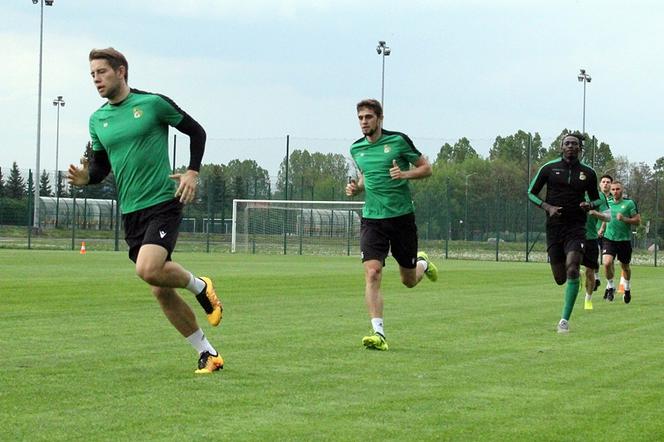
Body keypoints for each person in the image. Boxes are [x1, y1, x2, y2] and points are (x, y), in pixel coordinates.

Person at [67, 48, 223, 374]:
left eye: (101, 72)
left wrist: (192, 171)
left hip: (163, 202)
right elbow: (100, 167)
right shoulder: (98, 120)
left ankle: (199, 285)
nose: (96, 79)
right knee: (159, 289)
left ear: (121, 71)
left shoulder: (152, 105)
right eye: (92, 74)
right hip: (132, 211)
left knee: (147, 268)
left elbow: (197, 131)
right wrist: (87, 179)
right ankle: (208, 353)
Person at [345, 99, 438, 351]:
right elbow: (367, 175)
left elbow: (426, 168)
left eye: (368, 117)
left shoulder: (397, 141)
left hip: (401, 219)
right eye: (361, 118)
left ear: (379, 118)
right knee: (372, 272)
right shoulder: (356, 149)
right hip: (372, 219)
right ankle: (379, 334)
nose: (364, 122)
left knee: (408, 280)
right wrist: (356, 188)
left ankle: (423, 263)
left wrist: (404, 174)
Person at [527, 133, 602, 333]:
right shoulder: (549, 168)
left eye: (575, 144)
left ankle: (564, 322)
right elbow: (530, 193)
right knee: (561, 278)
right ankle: (573, 282)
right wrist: (547, 207)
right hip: (554, 228)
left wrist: (589, 204)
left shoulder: (588, 172)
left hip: (577, 227)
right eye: (567, 143)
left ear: (580, 149)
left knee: (572, 267)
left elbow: (598, 199)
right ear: (561, 147)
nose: (571, 146)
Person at [602, 181, 641, 304]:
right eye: (613, 189)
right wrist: (602, 228)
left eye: (617, 189)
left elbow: (637, 221)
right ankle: (610, 286)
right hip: (609, 239)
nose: (615, 192)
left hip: (624, 240)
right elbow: (606, 217)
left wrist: (624, 219)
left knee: (625, 267)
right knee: (607, 263)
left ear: (622, 190)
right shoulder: (607, 203)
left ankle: (627, 289)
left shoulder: (629, 204)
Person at [581, 188, 611, 310]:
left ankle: (588, 299)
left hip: (590, 238)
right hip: (573, 236)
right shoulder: (571, 190)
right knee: (570, 266)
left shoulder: (599, 196)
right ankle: (575, 274)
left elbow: (608, 217)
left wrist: (595, 213)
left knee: (589, 272)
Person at [594, 174, 613, 292]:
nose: (605, 184)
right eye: (603, 182)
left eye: (608, 182)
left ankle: (609, 285)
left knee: (608, 262)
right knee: (592, 257)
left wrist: (602, 228)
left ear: (611, 185)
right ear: (600, 184)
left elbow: (608, 215)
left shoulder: (613, 199)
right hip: (594, 232)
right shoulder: (595, 198)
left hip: (609, 234)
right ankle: (596, 278)